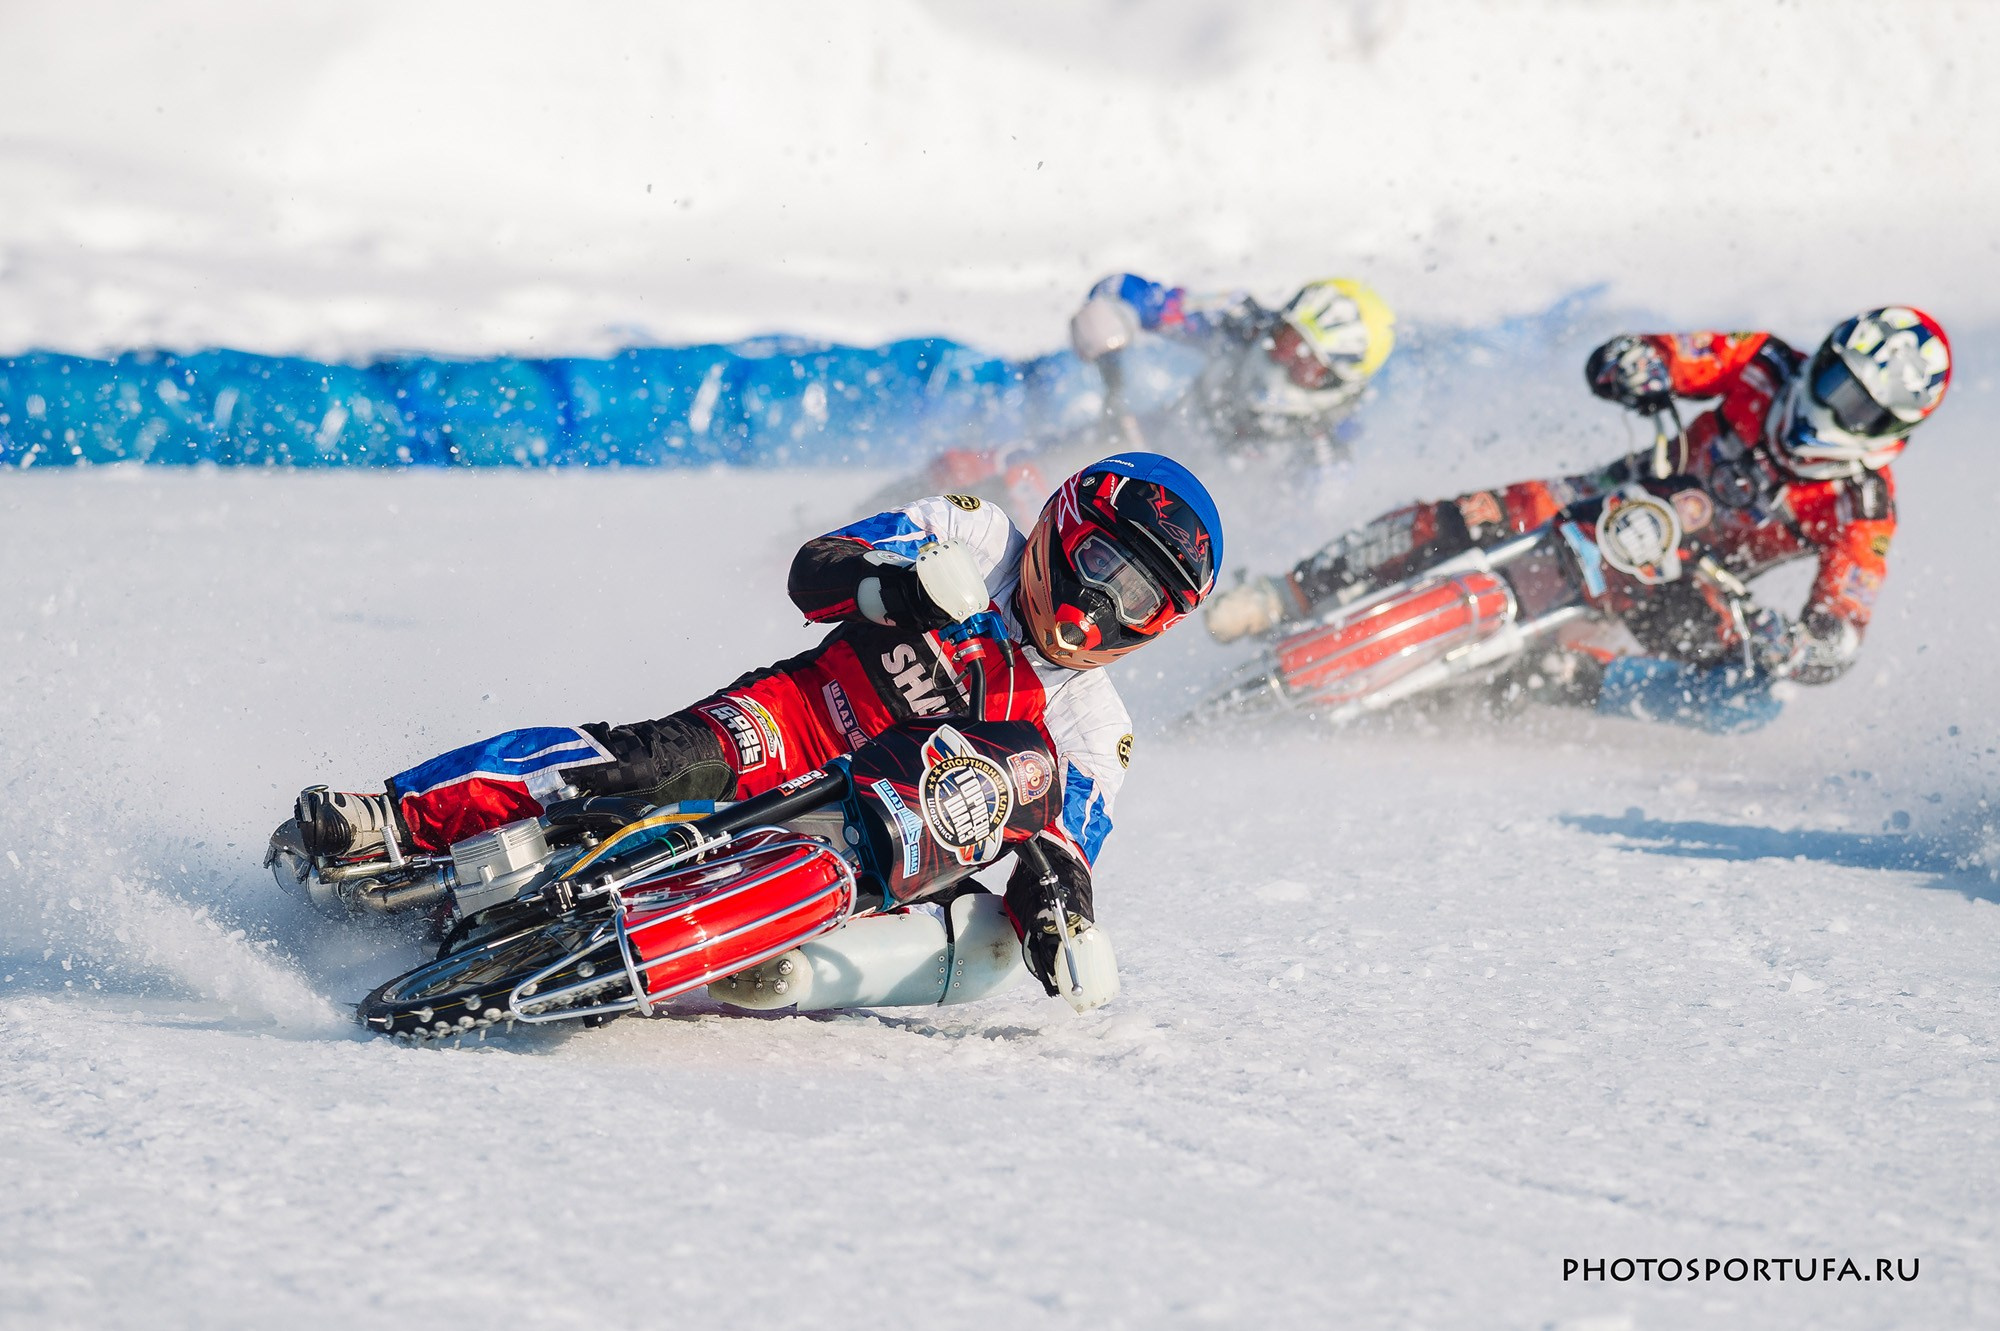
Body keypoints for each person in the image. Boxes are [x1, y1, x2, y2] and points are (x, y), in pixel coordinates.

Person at [291, 452, 1222, 998]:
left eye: (1139, 599)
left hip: (885, 846)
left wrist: (1061, 916)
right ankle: (396, 816)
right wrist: (898, 586)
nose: (1101, 604)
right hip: (794, 723)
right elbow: (817, 568)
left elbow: (1062, 851)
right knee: (642, 766)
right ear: (1064, 524)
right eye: (1102, 562)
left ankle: (754, 948)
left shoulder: (1097, 730)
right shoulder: (976, 536)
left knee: (1027, 788)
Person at [1202, 308, 1951, 732]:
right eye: (1831, 374)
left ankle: (1563, 679)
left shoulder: (1862, 507)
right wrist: (1635, 366)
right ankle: (1288, 592)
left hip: (1688, 582)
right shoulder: (1763, 362)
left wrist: (1797, 643)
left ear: (1886, 425)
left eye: (1853, 401)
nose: (1825, 401)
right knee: (1466, 514)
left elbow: (1843, 626)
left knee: (1748, 704)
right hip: (1622, 493)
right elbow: (1660, 353)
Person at [1068, 273, 1397, 463]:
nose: (1281, 361)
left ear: (1334, 381)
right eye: (1287, 339)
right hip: (1129, 448)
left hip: (1184, 548)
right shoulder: (1243, 324)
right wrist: (1116, 313)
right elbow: (1135, 292)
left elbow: (1295, 545)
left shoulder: (1325, 454)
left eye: (1306, 363)